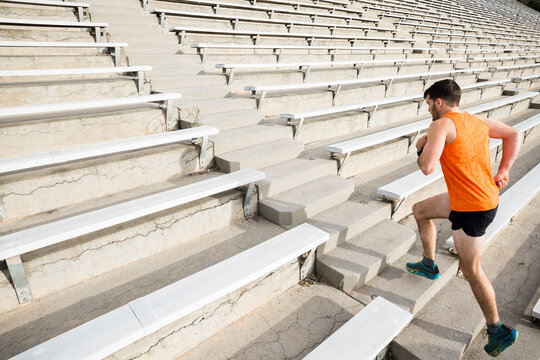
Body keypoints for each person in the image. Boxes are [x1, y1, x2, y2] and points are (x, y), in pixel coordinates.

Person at [405, 79, 521, 357]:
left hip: (472, 208)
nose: (429, 109)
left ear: (439, 102)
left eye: (429, 104)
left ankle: (498, 331)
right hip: (471, 197)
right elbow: (513, 134)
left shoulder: (440, 124)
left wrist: (421, 146)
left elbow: (427, 167)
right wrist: (503, 171)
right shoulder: (476, 120)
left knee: (471, 271)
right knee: (420, 210)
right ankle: (429, 264)